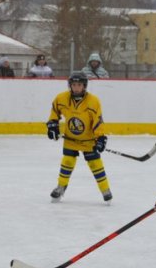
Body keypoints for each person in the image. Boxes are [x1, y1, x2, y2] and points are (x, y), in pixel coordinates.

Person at [46, 71, 112, 203]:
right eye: (74, 84)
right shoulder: (61, 98)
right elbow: (55, 111)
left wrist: (100, 138)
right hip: (71, 139)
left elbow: (98, 121)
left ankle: (105, 189)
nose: (76, 87)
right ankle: (61, 187)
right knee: (67, 162)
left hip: (89, 140)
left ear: (84, 86)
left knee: (95, 164)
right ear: (70, 85)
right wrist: (52, 125)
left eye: (79, 85)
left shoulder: (93, 101)